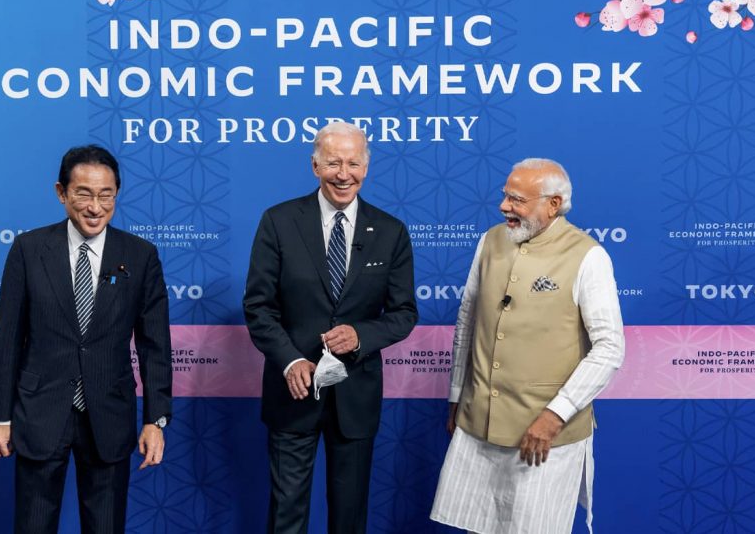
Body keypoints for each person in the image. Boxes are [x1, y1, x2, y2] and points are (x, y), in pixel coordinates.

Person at [430, 158, 625, 534]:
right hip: (478, 424)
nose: (504, 206)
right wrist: (457, 394)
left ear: (553, 204)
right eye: (505, 197)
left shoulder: (589, 256)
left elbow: (609, 347)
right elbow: (468, 320)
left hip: (544, 436)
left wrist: (554, 417)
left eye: (517, 200)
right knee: (477, 527)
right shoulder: (490, 241)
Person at [0, 145, 173, 533]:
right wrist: (0, 417)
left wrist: (156, 419)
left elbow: (155, 346)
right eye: (83, 194)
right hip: (40, 411)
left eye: (106, 195)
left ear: (116, 194)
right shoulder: (29, 250)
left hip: (109, 414)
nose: (95, 207)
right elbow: (7, 339)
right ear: (61, 192)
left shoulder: (140, 256)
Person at [243, 122, 418, 534]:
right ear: (315, 165)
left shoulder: (390, 232)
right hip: (293, 393)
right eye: (334, 162)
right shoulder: (279, 221)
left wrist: (362, 336)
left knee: (349, 516)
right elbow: (258, 306)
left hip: (356, 398)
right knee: (286, 514)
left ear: (366, 167)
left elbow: (404, 312)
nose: (344, 173)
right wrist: (289, 362)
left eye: (353, 162)